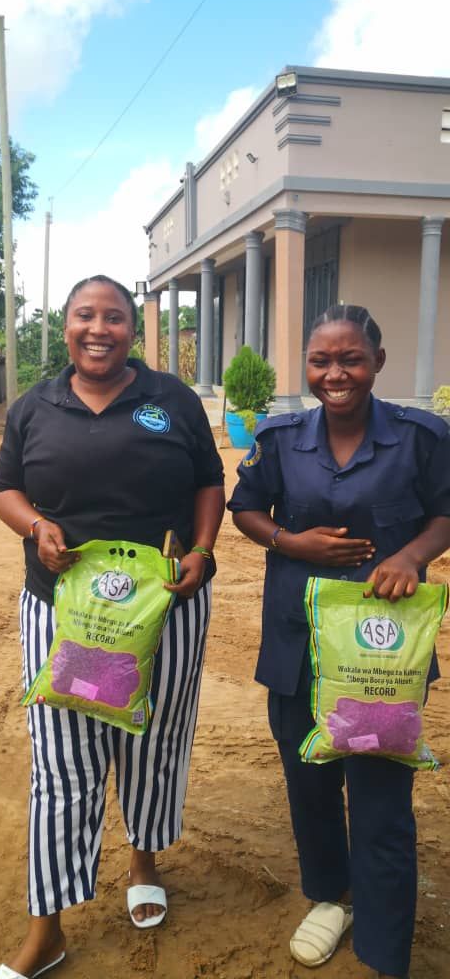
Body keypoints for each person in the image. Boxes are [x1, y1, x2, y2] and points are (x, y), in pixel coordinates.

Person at [0, 275, 225, 979]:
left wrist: (203, 551)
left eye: (115, 317)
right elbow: (5, 489)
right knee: (62, 763)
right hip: (63, 613)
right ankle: (47, 931)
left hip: (165, 610)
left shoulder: (171, 400)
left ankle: (143, 860)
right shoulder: (35, 406)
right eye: (85, 316)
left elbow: (209, 482)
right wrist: (36, 527)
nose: (100, 329)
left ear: (132, 329)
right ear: (66, 325)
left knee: (154, 740)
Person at [227, 304, 450, 979]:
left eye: (351, 358)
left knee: (381, 801)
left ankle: (385, 951)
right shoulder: (280, 437)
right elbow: (244, 508)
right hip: (296, 643)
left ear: (377, 361)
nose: (335, 373)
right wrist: (289, 541)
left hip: (382, 655)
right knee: (310, 783)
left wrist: (411, 556)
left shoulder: (421, 437)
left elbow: (446, 512)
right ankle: (331, 897)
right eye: (320, 360)